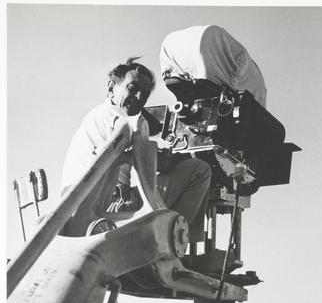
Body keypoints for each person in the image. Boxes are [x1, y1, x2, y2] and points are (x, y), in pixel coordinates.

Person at [61, 57, 211, 238]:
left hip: (74, 206)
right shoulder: (120, 117)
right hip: (107, 203)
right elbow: (160, 163)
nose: (140, 98)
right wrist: (178, 157)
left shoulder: (96, 116)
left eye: (145, 94)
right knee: (198, 170)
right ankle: (177, 245)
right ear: (111, 88)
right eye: (133, 89)